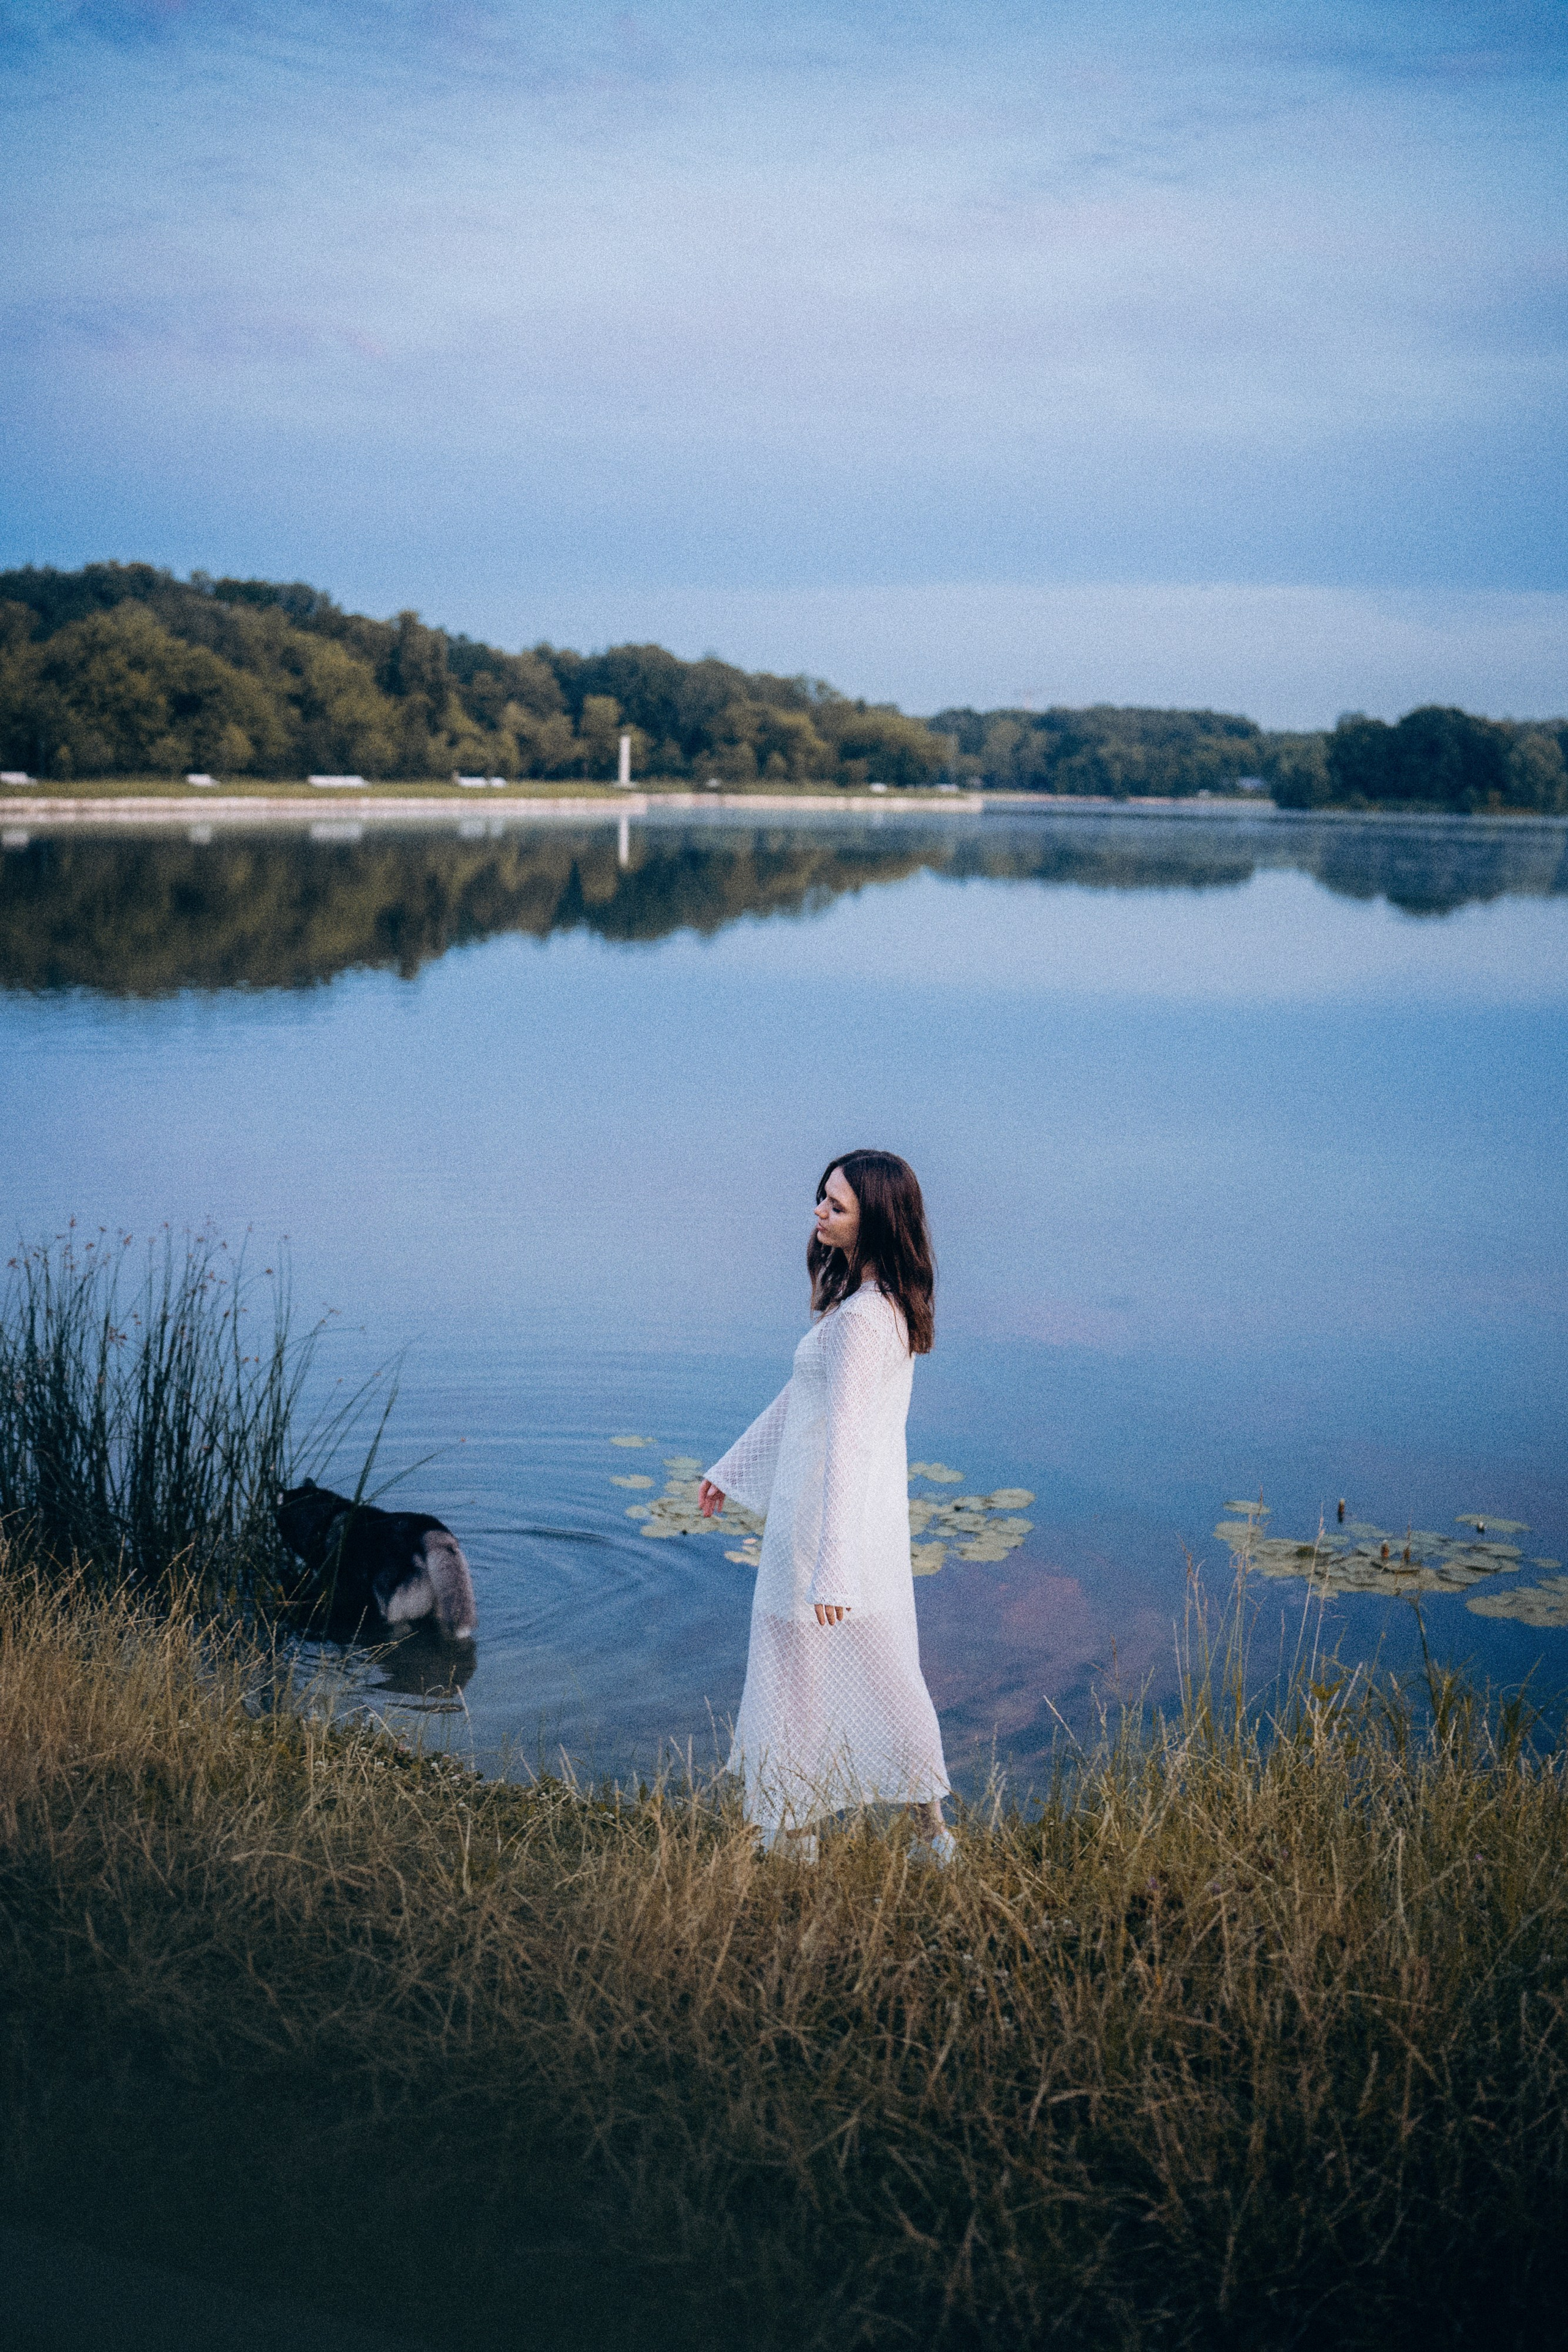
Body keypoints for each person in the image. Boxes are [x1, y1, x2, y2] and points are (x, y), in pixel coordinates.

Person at [699, 1149, 955, 1865]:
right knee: (882, 1670)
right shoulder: (882, 1309)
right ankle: (926, 1839)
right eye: (822, 1198)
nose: (818, 1212)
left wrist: (831, 1568)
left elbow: (842, 1443)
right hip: (861, 1531)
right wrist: (733, 1467)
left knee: (799, 1675)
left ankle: (798, 1836)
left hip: (822, 1534)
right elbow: (802, 1402)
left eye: (835, 1206)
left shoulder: (859, 1323)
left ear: (874, 1223)